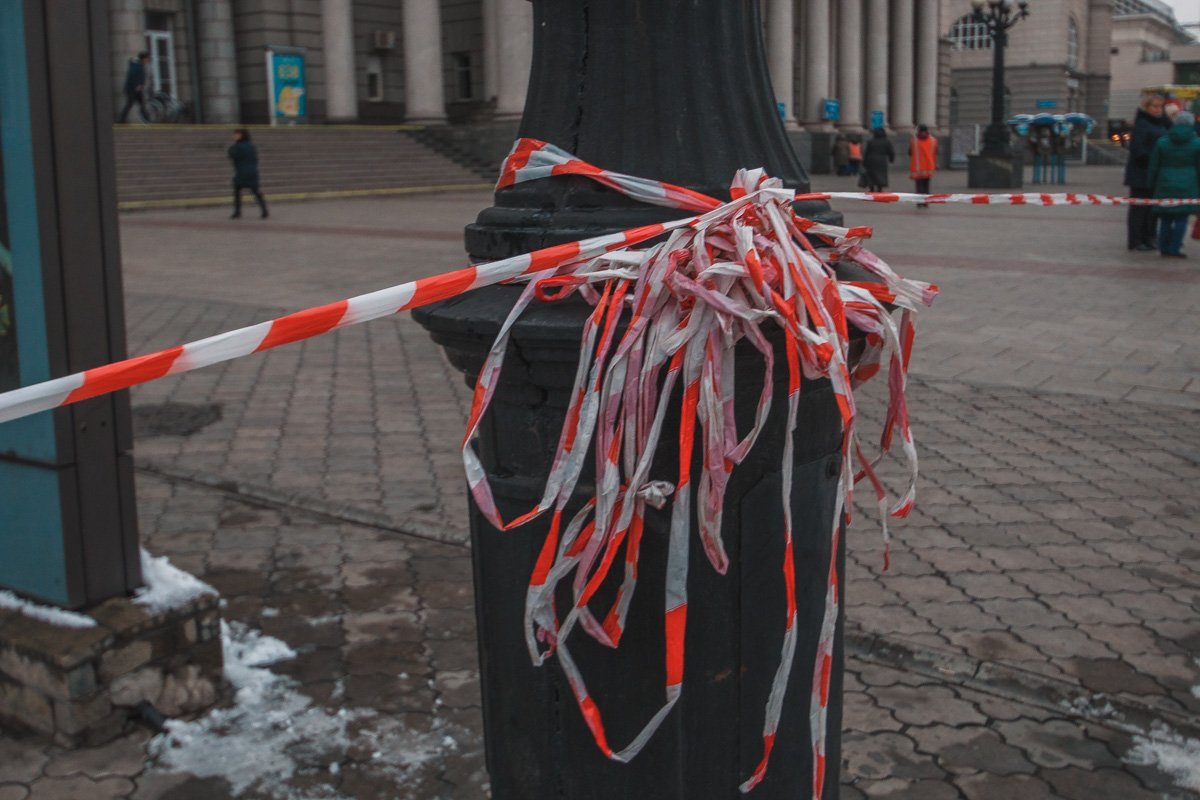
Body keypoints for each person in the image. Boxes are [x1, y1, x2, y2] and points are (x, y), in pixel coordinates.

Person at [1147, 110, 1200, 258]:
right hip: (1188, 183)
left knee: (1165, 218)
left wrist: (1150, 183)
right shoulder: (1197, 144)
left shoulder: (1162, 142)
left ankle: (1163, 248)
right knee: (1181, 218)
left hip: (1164, 183)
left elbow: (1154, 166)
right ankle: (1174, 248)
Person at [1124, 93, 1170, 251]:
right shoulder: (1142, 124)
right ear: (1146, 107)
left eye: (1160, 106)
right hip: (1141, 173)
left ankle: (1148, 237)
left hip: (1156, 174)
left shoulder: (1161, 123)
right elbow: (1137, 149)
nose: (1158, 110)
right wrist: (1153, 160)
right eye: (1155, 106)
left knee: (1152, 209)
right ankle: (1135, 240)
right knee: (1139, 209)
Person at [228, 129, 269, 219]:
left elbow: (233, 156)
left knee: (237, 192)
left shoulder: (238, 146)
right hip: (252, 171)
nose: (234, 136)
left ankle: (237, 212)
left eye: (236, 134)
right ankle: (264, 210)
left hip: (242, 172)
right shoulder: (251, 146)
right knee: (256, 192)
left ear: (241, 135)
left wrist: (231, 150)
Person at [908, 124, 938, 208]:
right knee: (926, 186)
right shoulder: (933, 140)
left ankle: (919, 202)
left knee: (919, 187)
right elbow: (936, 153)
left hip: (917, 168)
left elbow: (910, 152)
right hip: (929, 167)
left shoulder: (914, 141)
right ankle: (926, 202)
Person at [118, 52, 150, 123]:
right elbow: (133, 76)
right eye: (147, 59)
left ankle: (147, 119)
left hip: (136, 89)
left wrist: (140, 85)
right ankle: (121, 119)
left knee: (140, 104)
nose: (148, 60)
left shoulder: (138, 65)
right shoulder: (137, 66)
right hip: (132, 89)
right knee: (130, 104)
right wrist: (137, 85)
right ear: (143, 59)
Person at [862, 127, 894, 192]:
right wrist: (891, 159)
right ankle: (880, 187)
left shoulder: (870, 142)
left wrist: (864, 162)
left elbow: (866, 152)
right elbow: (891, 152)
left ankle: (871, 188)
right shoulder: (886, 142)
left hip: (871, 160)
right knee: (881, 174)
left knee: (871, 174)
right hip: (881, 160)